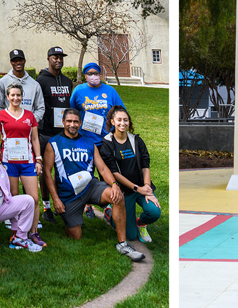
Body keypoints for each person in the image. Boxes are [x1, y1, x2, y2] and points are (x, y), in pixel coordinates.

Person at [44, 109, 144, 262]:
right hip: (69, 194)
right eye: (69, 121)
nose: (72, 124)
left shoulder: (89, 143)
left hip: (90, 186)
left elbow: (103, 168)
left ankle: (123, 244)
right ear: (63, 122)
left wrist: (114, 184)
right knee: (75, 236)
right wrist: (55, 199)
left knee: (117, 196)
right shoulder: (54, 144)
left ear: (80, 123)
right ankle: (98, 214)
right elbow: (47, 172)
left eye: (76, 121)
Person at [0, 83, 46, 247]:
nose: (16, 98)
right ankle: (16, 232)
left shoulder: (30, 115)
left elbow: (35, 139)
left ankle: (34, 231)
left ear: (22, 97)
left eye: (18, 95)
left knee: (34, 199)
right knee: (14, 198)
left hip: (27, 161)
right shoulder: (1, 115)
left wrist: (38, 159)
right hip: (9, 162)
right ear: (7, 97)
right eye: (12, 95)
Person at [99, 107, 160, 244]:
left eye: (125, 120)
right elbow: (114, 172)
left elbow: (145, 165)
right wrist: (136, 188)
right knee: (130, 235)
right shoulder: (107, 143)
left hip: (141, 187)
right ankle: (109, 213)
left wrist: (147, 188)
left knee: (154, 212)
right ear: (112, 122)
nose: (123, 123)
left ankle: (142, 224)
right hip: (124, 191)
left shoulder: (136, 140)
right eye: (119, 120)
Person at [0, 135, 41, 255]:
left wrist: (14, 226)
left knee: (29, 200)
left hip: (0, 209)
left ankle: (20, 238)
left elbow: (8, 197)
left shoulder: (1, 169)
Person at [36, 46, 72, 218]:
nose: (58, 60)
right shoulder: (41, 80)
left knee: (62, 169)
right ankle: (46, 206)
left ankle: (62, 202)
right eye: (55, 57)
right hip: (46, 133)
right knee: (45, 170)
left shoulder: (67, 81)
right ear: (48, 59)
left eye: (60, 57)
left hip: (63, 133)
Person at [68, 62, 124, 141]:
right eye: (90, 73)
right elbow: (71, 112)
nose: (93, 76)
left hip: (107, 138)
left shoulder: (110, 91)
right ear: (85, 76)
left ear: (99, 75)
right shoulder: (79, 90)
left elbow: (121, 111)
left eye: (95, 73)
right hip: (85, 138)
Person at [0, 49, 45, 131]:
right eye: (14, 61)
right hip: (9, 128)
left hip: (29, 128)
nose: (18, 63)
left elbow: (40, 108)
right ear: (11, 62)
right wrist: (6, 120)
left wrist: (30, 121)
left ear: (24, 61)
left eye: (20, 60)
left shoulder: (34, 84)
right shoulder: (2, 82)